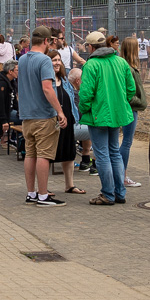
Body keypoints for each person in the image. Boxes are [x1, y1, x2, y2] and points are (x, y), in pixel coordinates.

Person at [78, 30, 138, 205]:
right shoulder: (121, 62)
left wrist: (85, 110)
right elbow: (131, 89)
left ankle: (108, 194)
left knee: (102, 154)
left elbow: (86, 94)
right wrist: (121, 103)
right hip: (117, 114)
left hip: (98, 115)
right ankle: (119, 192)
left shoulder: (91, 65)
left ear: (90, 47)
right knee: (115, 152)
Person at [17, 26, 68, 206]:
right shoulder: (44, 60)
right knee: (44, 155)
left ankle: (31, 192)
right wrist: (60, 111)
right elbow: (47, 88)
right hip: (43, 115)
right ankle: (44, 195)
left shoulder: (22, 59)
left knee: (30, 153)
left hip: (27, 116)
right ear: (47, 41)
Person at [49, 53, 85, 196]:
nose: (57, 63)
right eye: (53, 60)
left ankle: (69, 185)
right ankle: (43, 187)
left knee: (69, 152)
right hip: (52, 122)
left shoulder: (64, 80)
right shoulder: (46, 81)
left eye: (59, 60)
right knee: (49, 153)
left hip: (68, 121)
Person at [118, 37, 146, 189]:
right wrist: (139, 102)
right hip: (131, 107)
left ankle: (121, 174)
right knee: (127, 142)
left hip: (129, 107)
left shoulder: (124, 65)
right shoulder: (128, 67)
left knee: (123, 142)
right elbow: (128, 91)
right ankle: (122, 175)